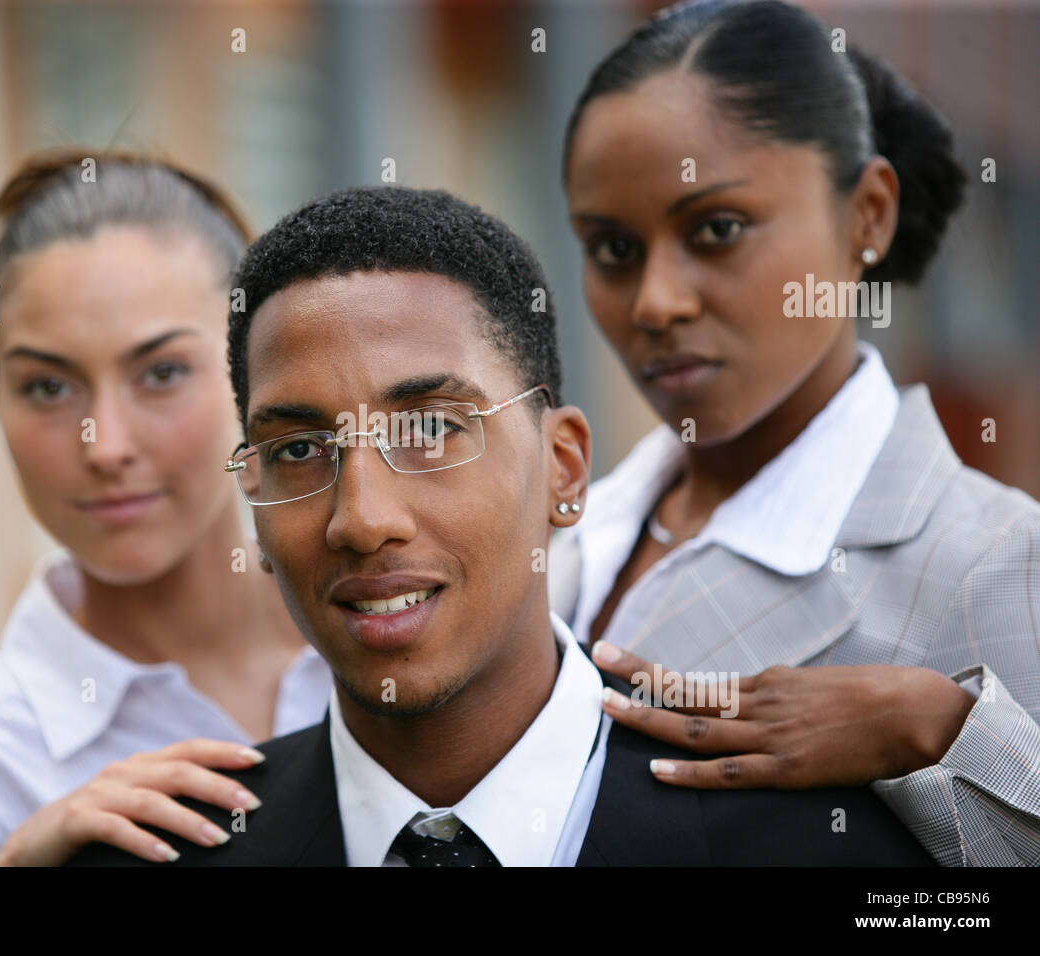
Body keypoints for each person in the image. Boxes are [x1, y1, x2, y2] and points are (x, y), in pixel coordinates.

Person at [70, 185, 934, 866]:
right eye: (299, 448)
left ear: (562, 468)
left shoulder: (823, 844)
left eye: (431, 429)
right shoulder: (163, 851)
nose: (363, 519)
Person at [554, 0, 1040, 866]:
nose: (657, 302)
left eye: (717, 229)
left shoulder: (1000, 561)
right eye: (613, 249)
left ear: (867, 217)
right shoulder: (563, 529)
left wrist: (943, 733)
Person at [0, 150, 331, 866]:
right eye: (48, 387)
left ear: (253, 365)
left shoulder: (397, 643)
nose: (104, 445)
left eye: (162, 373)